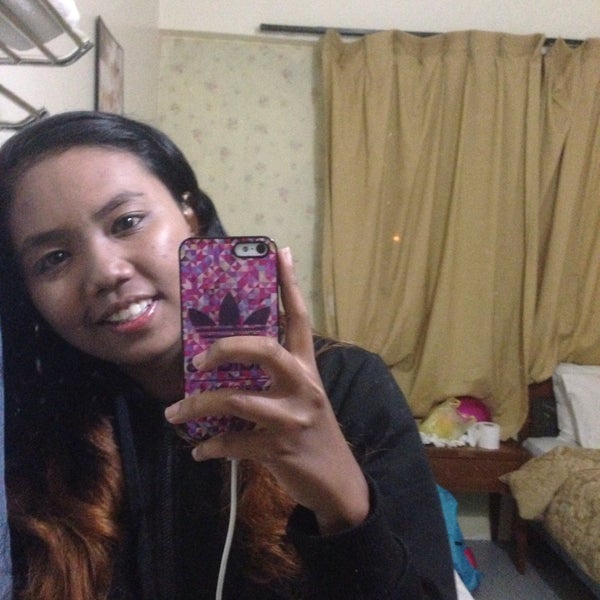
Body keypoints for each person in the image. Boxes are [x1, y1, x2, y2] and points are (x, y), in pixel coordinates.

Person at [0, 111, 457, 600]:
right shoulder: (29, 423)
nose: (106, 272)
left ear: (190, 213)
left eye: (127, 222)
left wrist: (343, 506)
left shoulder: (345, 385)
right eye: (54, 258)